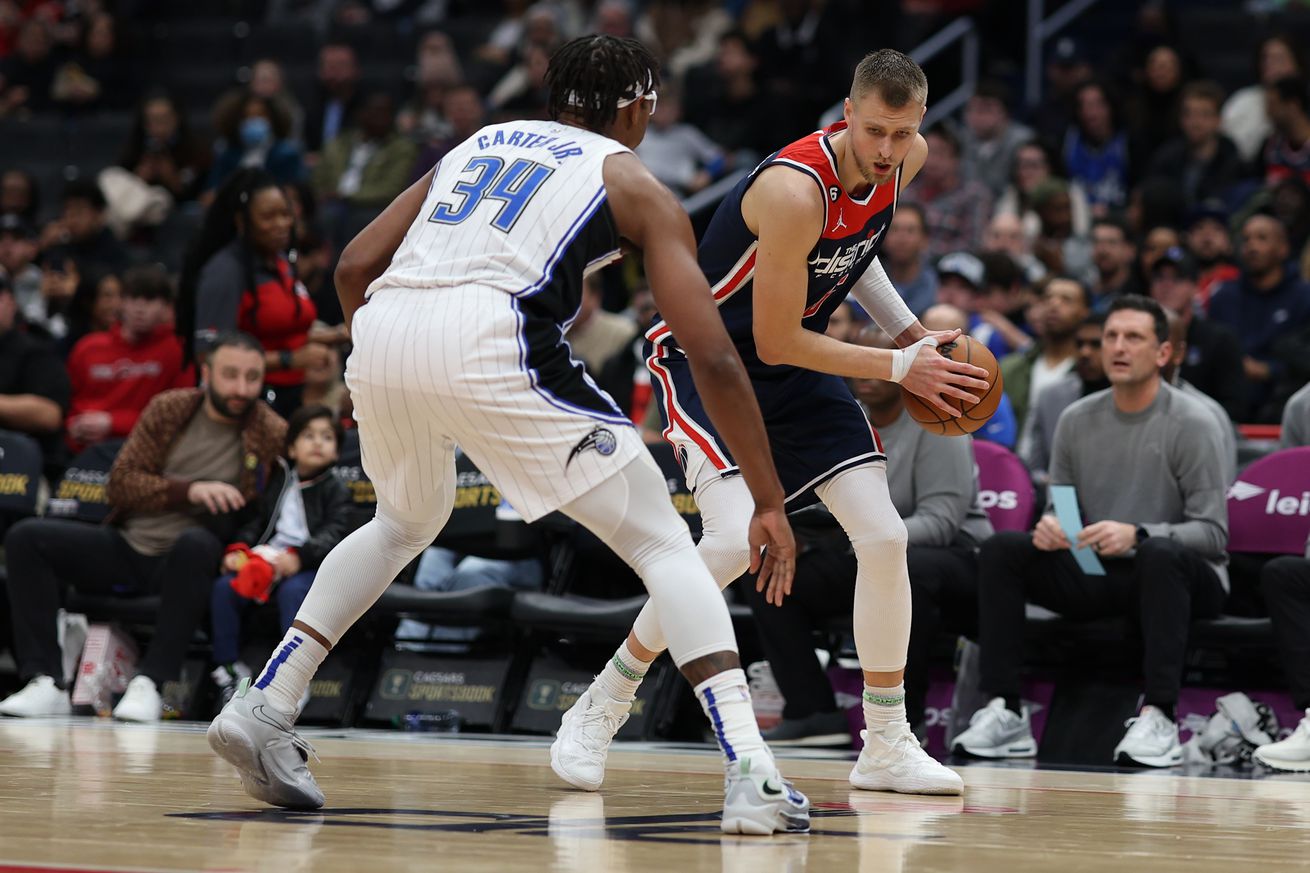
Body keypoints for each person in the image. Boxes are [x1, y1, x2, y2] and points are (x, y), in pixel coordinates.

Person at [209, 35, 810, 835]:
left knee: (400, 521)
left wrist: (401, 364)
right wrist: (766, 497)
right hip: (490, 334)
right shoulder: (633, 179)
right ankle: (753, 770)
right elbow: (713, 355)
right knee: (666, 546)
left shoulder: (478, 142)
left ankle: (267, 702)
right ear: (639, 105)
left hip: (386, 326)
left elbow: (353, 265)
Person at [553, 48, 986, 799]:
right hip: (709, 357)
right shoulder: (792, 191)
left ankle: (886, 741)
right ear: (845, 114)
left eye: (903, 133)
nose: (888, 151)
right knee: (725, 541)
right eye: (875, 131)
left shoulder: (903, 159)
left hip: (799, 358)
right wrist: (897, 366)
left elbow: (855, 257)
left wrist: (911, 332)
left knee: (883, 538)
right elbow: (775, 337)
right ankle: (602, 702)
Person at [952, 296, 1229, 768]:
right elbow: (1063, 506)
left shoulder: (1195, 422)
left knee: (1159, 554)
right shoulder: (1075, 418)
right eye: (1111, 337)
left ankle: (1161, 715)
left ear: (1163, 353)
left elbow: (1213, 534)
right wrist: (1053, 527)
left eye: (1134, 337)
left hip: (1181, 577)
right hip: (1097, 570)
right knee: (1004, 549)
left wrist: (1138, 534)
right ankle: (1006, 710)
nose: (1119, 347)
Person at [0, 332, 286, 721]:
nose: (241, 388)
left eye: (252, 378)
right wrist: (191, 491)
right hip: (128, 544)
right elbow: (121, 484)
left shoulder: (269, 432)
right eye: (230, 375)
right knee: (26, 538)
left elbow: (268, 509)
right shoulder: (170, 409)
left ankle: (151, 683)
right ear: (206, 373)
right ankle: (45, 680)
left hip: (191, 563)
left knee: (197, 543)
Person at [210, 404, 354, 705]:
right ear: (291, 447)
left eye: (327, 437)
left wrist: (300, 557)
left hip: (308, 565)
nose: (317, 443)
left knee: (294, 593)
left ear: (337, 451)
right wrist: (239, 551)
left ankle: (293, 678)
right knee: (224, 589)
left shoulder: (335, 489)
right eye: (308, 436)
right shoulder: (279, 483)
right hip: (267, 560)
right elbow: (258, 524)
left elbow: (335, 535)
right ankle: (229, 670)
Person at [180, 169, 330, 418]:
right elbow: (208, 355)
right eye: (268, 217)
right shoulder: (225, 272)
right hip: (248, 404)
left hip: (292, 395)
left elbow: (284, 331)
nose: (282, 224)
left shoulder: (281, 261)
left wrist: (339, 334)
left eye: (285, 214)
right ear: (242, 221)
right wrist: (289, 360)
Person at [64, 265, 191, 454]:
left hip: (145, 452)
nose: (140, 308)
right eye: (133, 299)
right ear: (121, 303)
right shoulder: (88, 347)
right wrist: (72, 425)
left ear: (166, 307)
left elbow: (178, 414)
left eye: (149, 300)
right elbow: (67, 403)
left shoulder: (177, 350)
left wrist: (113, 424)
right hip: (83, 450)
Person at [1147, 246, 1245, 421]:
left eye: (1177, 278)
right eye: (1159, 278)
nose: (1166, 286)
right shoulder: (1139, 339)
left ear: (1195, 286)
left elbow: (1236, 406)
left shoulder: (1219, 340)